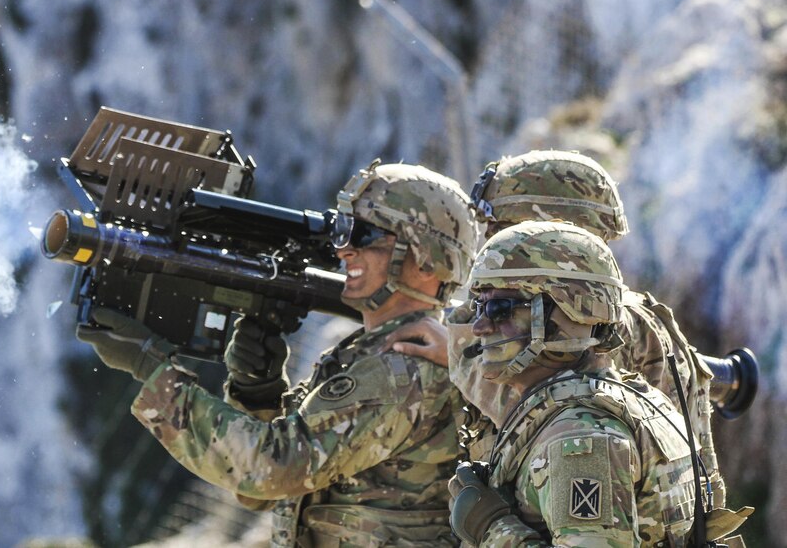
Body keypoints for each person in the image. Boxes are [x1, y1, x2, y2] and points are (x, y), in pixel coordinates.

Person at [75, 160, 479, 546]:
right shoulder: (368, 353)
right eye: (342, 232)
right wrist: (258, 394)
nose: (344, 250)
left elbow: (272, 470)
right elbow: (264, 494)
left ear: (428, 262)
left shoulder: (401, 367)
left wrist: (152, 369)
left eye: (366, 236)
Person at [394, 150, 728, 508]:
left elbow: (535, 410)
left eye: (496, 224)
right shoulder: (605, 312)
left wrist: (456, 348)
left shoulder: (600, 322)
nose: (486, 241)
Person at [446, 220, 704, 546]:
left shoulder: (582, 438)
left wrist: (492, 527)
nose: (480, 326)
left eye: (500, 308)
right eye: (479, 306)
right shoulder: (629, 397)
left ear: (570, 314)